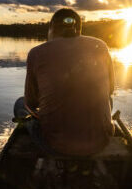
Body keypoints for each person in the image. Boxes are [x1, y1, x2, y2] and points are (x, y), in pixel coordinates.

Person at [14, 8, 115, 156]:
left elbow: (31, 103)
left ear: (51, 29)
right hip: (101, 142)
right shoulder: (101, 46)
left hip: (56, 146)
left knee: (20, 104)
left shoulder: (36, 53)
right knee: (108, 100)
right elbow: (110, 91)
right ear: (79, 30)